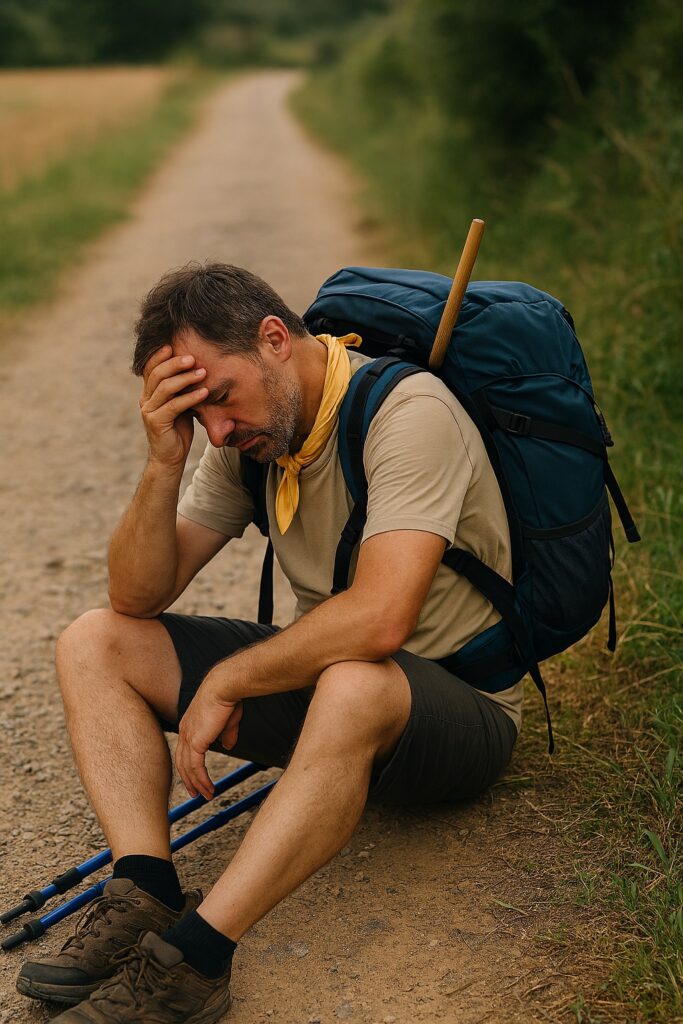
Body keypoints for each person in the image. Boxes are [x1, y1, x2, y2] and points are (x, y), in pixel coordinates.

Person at [17, 263, 521, 1023]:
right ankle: (145, 889)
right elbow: (136, 598)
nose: (217, 428)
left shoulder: (409, 413)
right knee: (96, 641)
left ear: (275, 339)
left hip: (460, 714)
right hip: (340, 696)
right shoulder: (247, 440)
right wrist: (165, 458)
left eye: (218, 396)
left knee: (354, 675)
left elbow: (381, 619)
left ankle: (193, 962)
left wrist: (229, 681)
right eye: (199, 412)